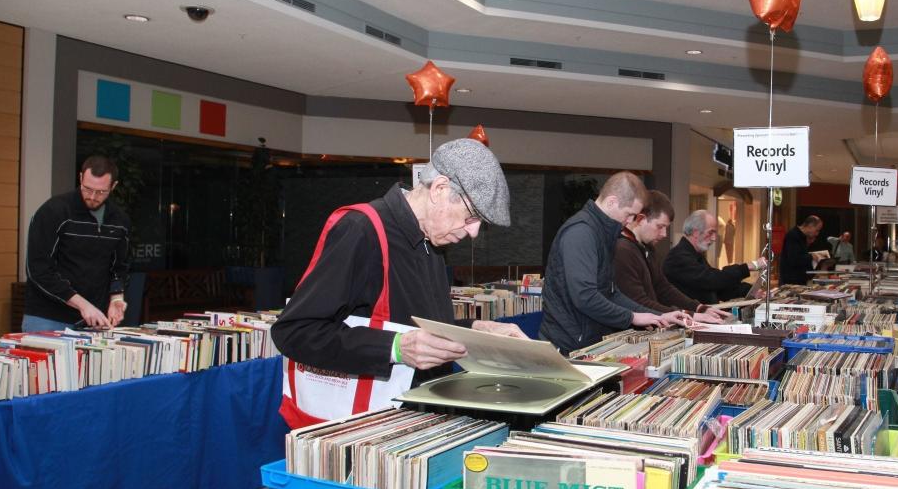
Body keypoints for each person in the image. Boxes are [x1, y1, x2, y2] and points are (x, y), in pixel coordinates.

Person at [271, 138, 526, 427]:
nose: (474, 233)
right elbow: (294, 332)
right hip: (363, 430)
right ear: (440, 190)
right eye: (471, 217)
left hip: (416, 420)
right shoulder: (361, 230)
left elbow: (414, 327)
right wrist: (394, 349)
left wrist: (476, 330)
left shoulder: (433, 241)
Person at [540, 172, 687, 353]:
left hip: (587, 340)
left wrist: (658, 316)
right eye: (630, 214)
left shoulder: (603, 233)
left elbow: (611, 293)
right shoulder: (581, 233)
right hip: (569, 344)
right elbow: (585, 297)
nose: (630, 222)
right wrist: (632, 317)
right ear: (611, 202)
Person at [24, 155, 131, 331]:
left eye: (101, 192)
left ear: (113, 186)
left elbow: (119, 266)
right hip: (47, 317)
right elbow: (38, 269)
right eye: (87, 189)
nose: (93, 196)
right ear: (80, 178)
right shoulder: (54, 211)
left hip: (93, 318)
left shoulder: (120, 220)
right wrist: (82, 304)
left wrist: (116, 298)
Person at [614, 191, 728, 322]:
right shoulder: (622, 250)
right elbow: (639, 302)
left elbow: (663, 288)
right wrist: (690, 315)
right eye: (660, 226)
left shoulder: (647, 247)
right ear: (641, 219)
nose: (664, 234)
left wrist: (699, 308)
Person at [662, 210, 767, 304]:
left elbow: (719, 287)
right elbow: (711, 280)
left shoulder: (695, 254)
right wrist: (747, 267)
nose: (714, 238)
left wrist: (750, 291)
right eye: (710, 232)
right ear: (695, 232)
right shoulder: (677, 257)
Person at [779, 215, 823, 285]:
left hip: (799, 279)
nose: (817, 234)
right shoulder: (793, 235)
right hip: (791, 281)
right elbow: (794, 259)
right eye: (817, 230)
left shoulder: (803, 237)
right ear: (810, 226)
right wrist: (811, 256)